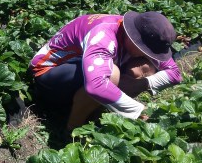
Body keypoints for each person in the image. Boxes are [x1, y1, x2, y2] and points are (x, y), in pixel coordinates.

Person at [29, 11, 181, 131]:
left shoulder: (142, 32)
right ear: (135, 38)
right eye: (145, 50)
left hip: (84, 68)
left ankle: (94, 110)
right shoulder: (103, 35)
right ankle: (74, 128)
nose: (147, 55)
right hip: (49, 73)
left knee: (145, 68)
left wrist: (142, 84)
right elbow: (96, 85)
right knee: (111, 74)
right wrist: (137, 111)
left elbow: (174, 74)